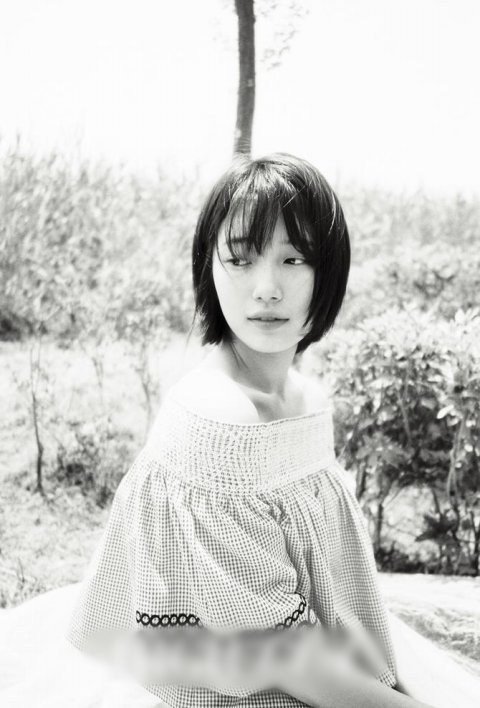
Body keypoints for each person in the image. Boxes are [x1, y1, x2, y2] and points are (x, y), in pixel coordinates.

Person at [64, 152, 437, 707]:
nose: (267, 288)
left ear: (328, 271)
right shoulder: (220, 421)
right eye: (240, 258)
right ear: (208, 269)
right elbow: (284, 655)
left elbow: (337, 589)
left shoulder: (307, 400)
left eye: (294, 259)